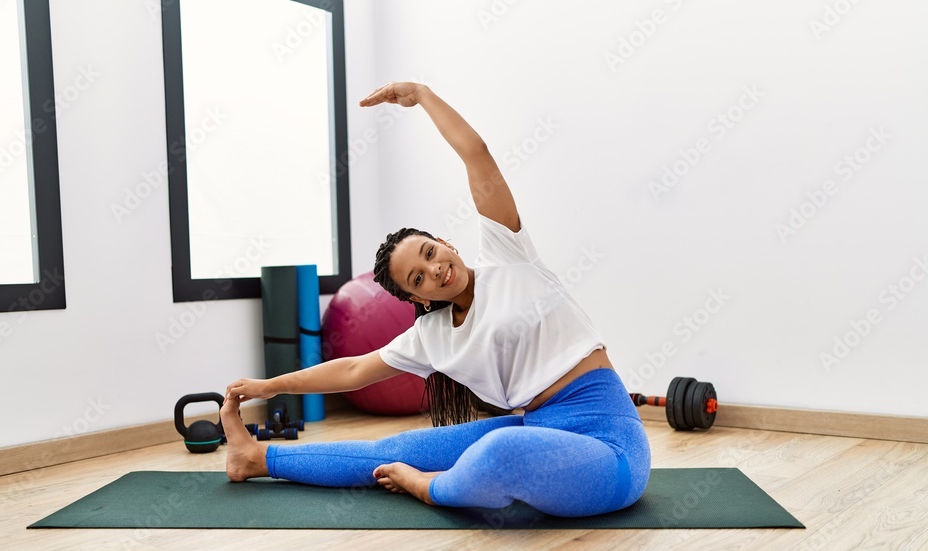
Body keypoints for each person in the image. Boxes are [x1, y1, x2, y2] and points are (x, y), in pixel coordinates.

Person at [221, 82, 650, 518]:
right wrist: (267, 386)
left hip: (611, 449)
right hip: (539, 428)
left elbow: (476, 154)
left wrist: (423, 96)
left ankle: (432, 488)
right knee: (393, 450)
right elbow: (352, 370)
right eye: (418, 277)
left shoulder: (508, 256)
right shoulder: (431, 336)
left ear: (445, 243)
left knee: (501, 449)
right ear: (417, 298)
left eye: (430, 253)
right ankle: (255, 458)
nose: (436, 270)